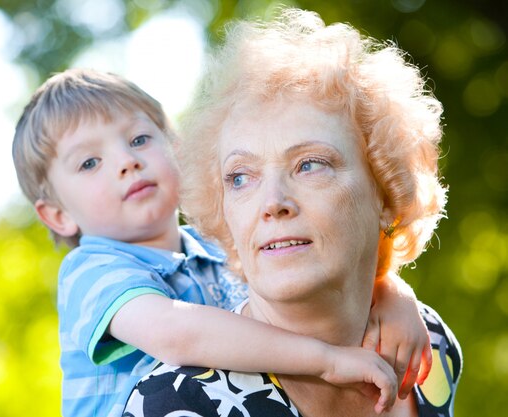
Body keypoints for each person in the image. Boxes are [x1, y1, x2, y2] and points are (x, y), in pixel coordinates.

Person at [12, 68, 431, 417]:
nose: (127, 162)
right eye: (89, 162)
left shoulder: (214, 247)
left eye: (139, 139)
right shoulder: (91, 270)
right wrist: (326, 359)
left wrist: (392, 291)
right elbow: (177, 335)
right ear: (58, 215)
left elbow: (304, 275)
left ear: (176, 149)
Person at [123, 8, 462, 417]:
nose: (272, 203)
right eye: (240, 177)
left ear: (386, 192)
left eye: (309, 164)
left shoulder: (431, 346)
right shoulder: (177, 403)